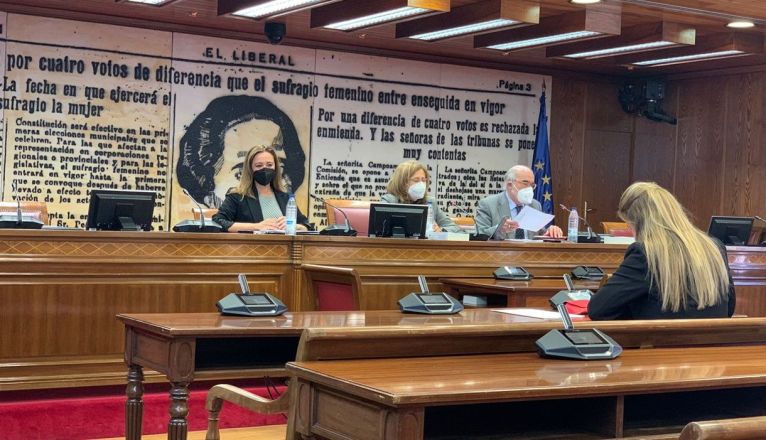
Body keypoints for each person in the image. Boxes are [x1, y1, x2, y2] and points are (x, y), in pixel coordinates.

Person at [588, 182, 735, 320]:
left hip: (659, 345)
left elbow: (598, 309)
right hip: (712, 345)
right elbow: (729, 308)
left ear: (637, 222)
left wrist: (634, 308)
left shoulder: (645, 253)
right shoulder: (715, 247)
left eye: (628, 226)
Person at [176, 95, 306, 209]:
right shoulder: (232, 205)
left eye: (279, 168)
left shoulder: (284, 201)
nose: (263, 180)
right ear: (207, 190)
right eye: (241, 173)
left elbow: (305, 225)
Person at [213, 145, 310, 233]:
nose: (265, 169)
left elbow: (307, 226)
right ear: (250, 169)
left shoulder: (285, 197)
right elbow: (218, 221)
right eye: (259, 166)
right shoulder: (237, 196)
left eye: (269, 165)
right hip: (251, 250)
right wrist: (257, 226)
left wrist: (293, 225)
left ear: (276, 168)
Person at [474, 165, 564, 239]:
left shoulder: (535, 205)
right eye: (525, 183)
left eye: (532, 185)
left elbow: (539, 234)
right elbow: (478, 234)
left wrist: (550, 232)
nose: (529, 188)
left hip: (529, 257)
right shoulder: (488, 204)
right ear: (510, 185)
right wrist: (499, 229)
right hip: (500, 257)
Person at [380, 160, 463, 233]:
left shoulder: (430, 202)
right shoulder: (389, 201)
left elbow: (455, 229)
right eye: (416, 180)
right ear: (402, 182)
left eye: (423, 180)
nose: (421, 184)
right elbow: (379, 230)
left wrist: (442, 230)